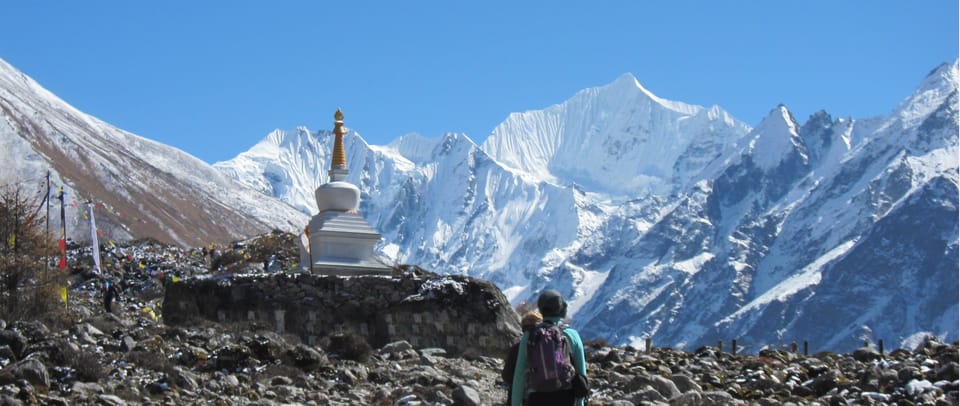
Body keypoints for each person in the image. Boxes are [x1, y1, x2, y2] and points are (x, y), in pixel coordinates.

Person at [511, 290, 587, 406]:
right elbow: (581, 375)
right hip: (566, 397)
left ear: (541, 310)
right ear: (562, 309)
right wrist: (580, 402)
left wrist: (516, 403)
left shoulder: (530, 335)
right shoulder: (572, 335)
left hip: (537, 397)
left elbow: (519, 376)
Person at [502, 310, 543, 403]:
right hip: (542, 397)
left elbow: (506, 375)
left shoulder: (516, 348)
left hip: (520, 398)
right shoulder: (548, 347)